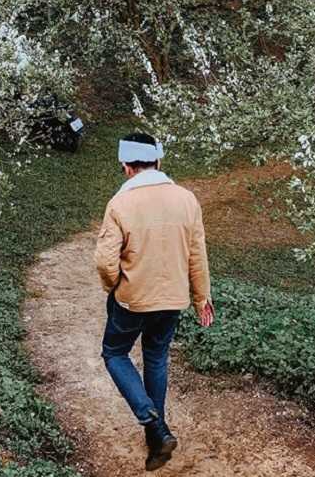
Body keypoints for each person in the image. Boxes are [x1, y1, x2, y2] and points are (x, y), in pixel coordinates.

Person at [95, 131, 214, 471]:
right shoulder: (187, 199)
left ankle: (151, 421)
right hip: (172, 299)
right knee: (156, 359)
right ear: (158, 161)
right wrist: (201, 297)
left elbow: (105, 262)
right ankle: (156, 436)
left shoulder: (120, 204)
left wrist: (114, 287)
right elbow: (197, 255)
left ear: (126, 166)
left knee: (115, 353)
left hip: (132, 299)